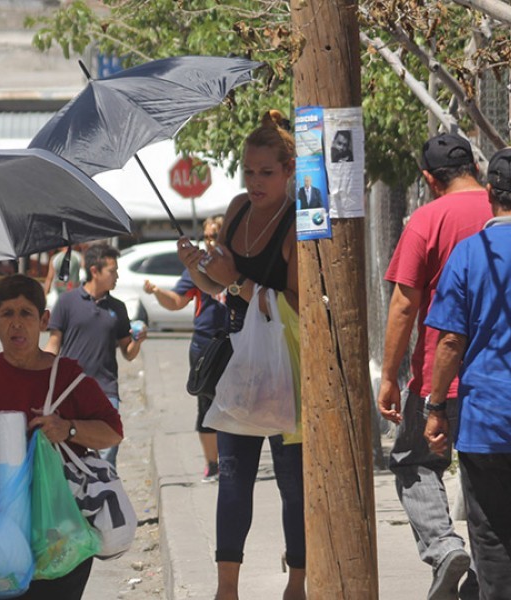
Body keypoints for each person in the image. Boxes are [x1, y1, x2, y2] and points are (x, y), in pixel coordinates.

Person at [177, 109, 304, 600]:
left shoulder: (296, 223)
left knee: (293, 486)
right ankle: (225, 589)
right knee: (232, 481)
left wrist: (236, 281)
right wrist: (200, 270)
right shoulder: (235, 210)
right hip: (235, 363)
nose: (254, 181)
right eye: (248, 171)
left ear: (289, 171)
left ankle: (297, 583)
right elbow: (220, 291)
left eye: (266, 172)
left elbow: (297, 306)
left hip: (285, 369)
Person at [0, 274, 123, 600]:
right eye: (7, 314)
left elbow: (113, 432)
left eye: (26, 313)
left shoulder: (68, 378)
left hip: (56, 538)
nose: (17, 324)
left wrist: (69, 428)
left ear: (44, 320)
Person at [424, 147, 511, 600]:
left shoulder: (469, 255)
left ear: (489, 194)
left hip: (488, 426)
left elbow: (448, 342)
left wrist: (436, 406)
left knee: (493, 540)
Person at [377, 132, 488, 600]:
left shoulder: (426, 219)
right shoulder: (508, 213)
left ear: (428, 178)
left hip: (437, 375)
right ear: (476, 169)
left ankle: (444, 547)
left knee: (413, 461)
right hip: (500, 375)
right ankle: (489, 570)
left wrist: (388, 375)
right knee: (489, 475)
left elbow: (404, 305)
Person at [45, 243, 147, 468]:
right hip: (70, 391)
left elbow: (128, 353)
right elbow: (53, 345)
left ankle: (105, 500)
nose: (117, 276)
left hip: (106, 391)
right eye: (112, 271)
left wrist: (138, 341)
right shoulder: (67, 302)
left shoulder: (118, 308)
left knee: (106, 458)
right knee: (69, 455)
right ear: (94, 271)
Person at [143, 214, 227, 482]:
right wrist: (157, 291)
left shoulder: (235, 265)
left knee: (235, 404)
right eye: (208, 236)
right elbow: (176, 301)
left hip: (237, 340)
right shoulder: (197, 267)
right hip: (205, 343)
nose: (212, 241)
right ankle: (213, 464)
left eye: (217, 235)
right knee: (206, 403)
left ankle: (232, 459)